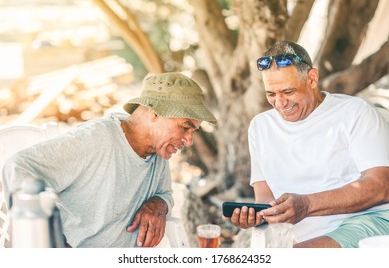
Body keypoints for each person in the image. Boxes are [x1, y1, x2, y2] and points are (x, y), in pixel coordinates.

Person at [1, 72, 217, 248]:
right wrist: (50, 238)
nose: (189, 140)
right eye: (185, 126)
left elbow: (165, 194)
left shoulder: (158, 151)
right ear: (154, 112)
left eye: (194, 130)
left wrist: (157, 204)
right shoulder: (97, 139)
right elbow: (17, 168)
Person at [226, 41, 389, 248]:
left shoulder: (355, 112)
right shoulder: (260, 126)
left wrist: (307, 205)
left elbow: (381, 186)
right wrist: (256, 215)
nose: (280, 103)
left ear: (312, 78)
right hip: (299, 237)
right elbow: (265, 198)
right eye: (271, 94)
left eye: (288, 91)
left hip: (367, 223)